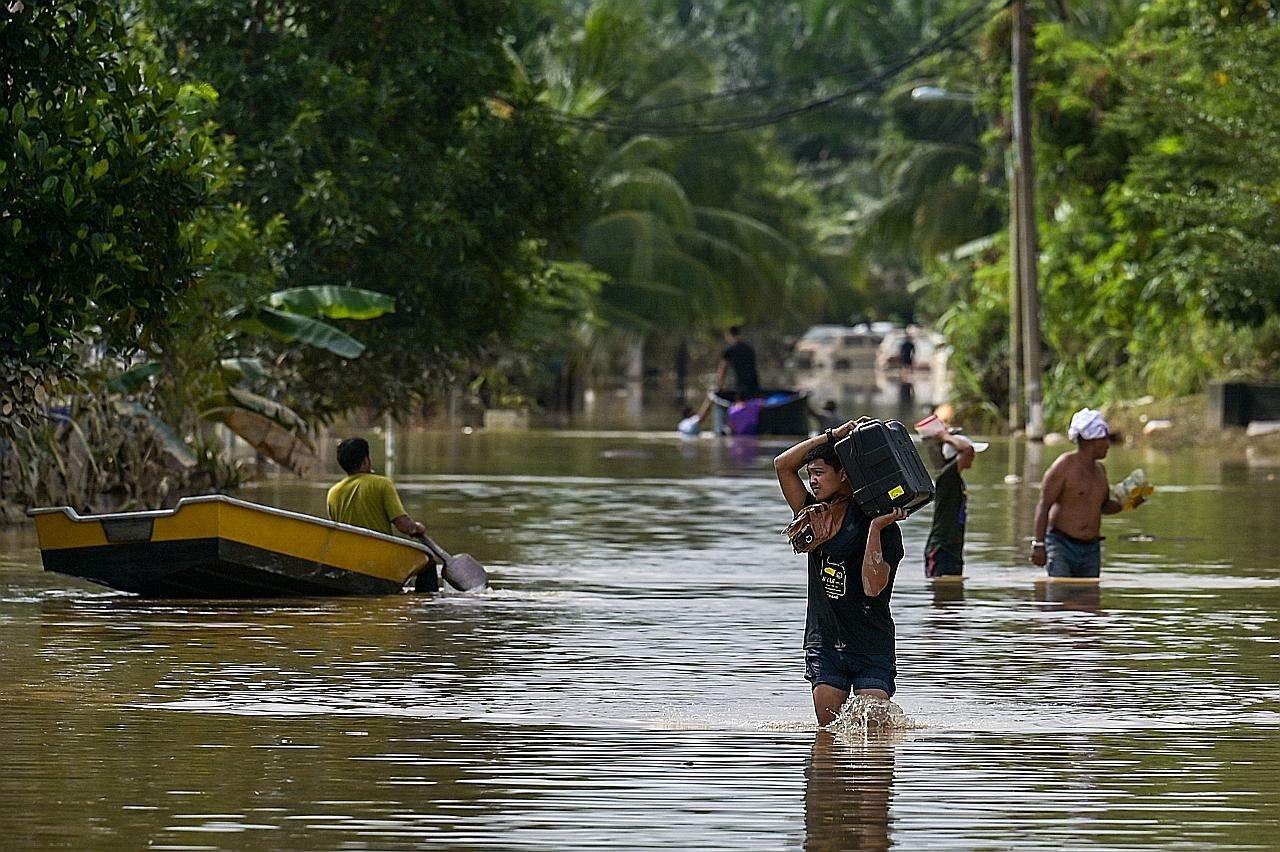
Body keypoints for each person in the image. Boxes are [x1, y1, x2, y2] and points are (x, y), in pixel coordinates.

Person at [774, 420, 907, 725]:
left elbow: (873, 588)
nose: (814, 482)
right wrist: (832, 436)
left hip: (871, 645)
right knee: (828, 737)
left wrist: (875, 529)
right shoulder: (815, 517)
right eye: (810, 475)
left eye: (819, 473)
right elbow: (782, 465)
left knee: (873, 736)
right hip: (826, 642)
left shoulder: (883, 526)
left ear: (844, 474)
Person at [1030, 408, 1143, 577]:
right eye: (1104, 439)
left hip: (1091, 549)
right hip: (1061, 544)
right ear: (1092, 440)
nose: (1107, 445)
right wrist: (1039, 545)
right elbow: (1044, 505)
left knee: (1089, 600)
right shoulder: (1063, 466)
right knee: (1059, 596)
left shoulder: (1100, 470)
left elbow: (1103, 506)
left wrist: (1129, 501)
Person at [327, 437, 428, 539]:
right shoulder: (382, 484)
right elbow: (403, 525)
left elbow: (335, 530)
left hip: (347, 552)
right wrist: (416, 527)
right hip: (379, 552)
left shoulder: (333, 492)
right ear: (365, 461)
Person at [923, 427, 988, 578]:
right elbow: (968, 450)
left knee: (953, 597)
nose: (973, 457)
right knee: (942, 596)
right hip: (941, 550)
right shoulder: (947, 476)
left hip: (952, 551)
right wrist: (945, 436)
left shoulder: (956, 479)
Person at [716, 326, 761, 399]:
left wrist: (719, 387)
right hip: (755, 385)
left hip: (741, 388)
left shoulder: (729, 350)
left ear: (729, 335)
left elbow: (722, 370)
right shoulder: (749, 348)